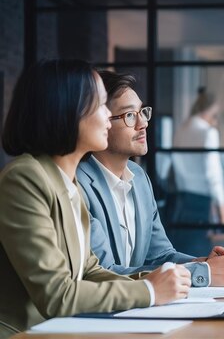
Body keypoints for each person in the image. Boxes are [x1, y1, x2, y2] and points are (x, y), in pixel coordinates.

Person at [0, 60, 190, 334]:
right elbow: (57, 295)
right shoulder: (25, 179)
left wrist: (161, 281)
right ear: (67, 111)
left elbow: (89, 271)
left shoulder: (68, 181)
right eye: (101, 106)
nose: (107, 119)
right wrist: (148, 290)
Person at [77, 71, 224, 287]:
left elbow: (159, 256)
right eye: (129, 115)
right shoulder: (78, 183)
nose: (143, 123)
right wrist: (200, 273)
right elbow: (103, 272)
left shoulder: (138, 177)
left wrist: (200, 263)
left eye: (143, 112)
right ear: (100, 121)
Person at [172, 87, 224, 225]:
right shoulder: (208, 132)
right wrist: (223, 210)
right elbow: (213, 173)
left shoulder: (181, 129)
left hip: (181, 198)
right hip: (202, 200)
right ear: (212, 109)